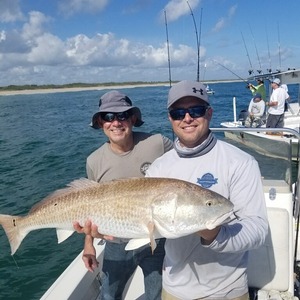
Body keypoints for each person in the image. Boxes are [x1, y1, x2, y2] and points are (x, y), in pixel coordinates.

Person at [80, 81, 268, 299]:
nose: (187, 118)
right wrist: (102, 228)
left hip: (227, 290)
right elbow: (144, 219)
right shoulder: (159, 167)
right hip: (173, 288)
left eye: (196, 110)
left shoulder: (241, 162)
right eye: (178, 113)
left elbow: (258, 230)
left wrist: (214, 234)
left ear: (209, 112)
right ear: (170, 118)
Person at [74, 90, 173, 300]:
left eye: (122, 116)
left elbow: (183, 175)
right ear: (100, 122)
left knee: (157, 295)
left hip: (156, 241)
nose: (116, 123)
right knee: (109, 295)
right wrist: (89, 245)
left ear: (133, 118)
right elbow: (90, 206)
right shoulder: (94, 161)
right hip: (116, 242)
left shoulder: (158, 144)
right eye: (108, 117)